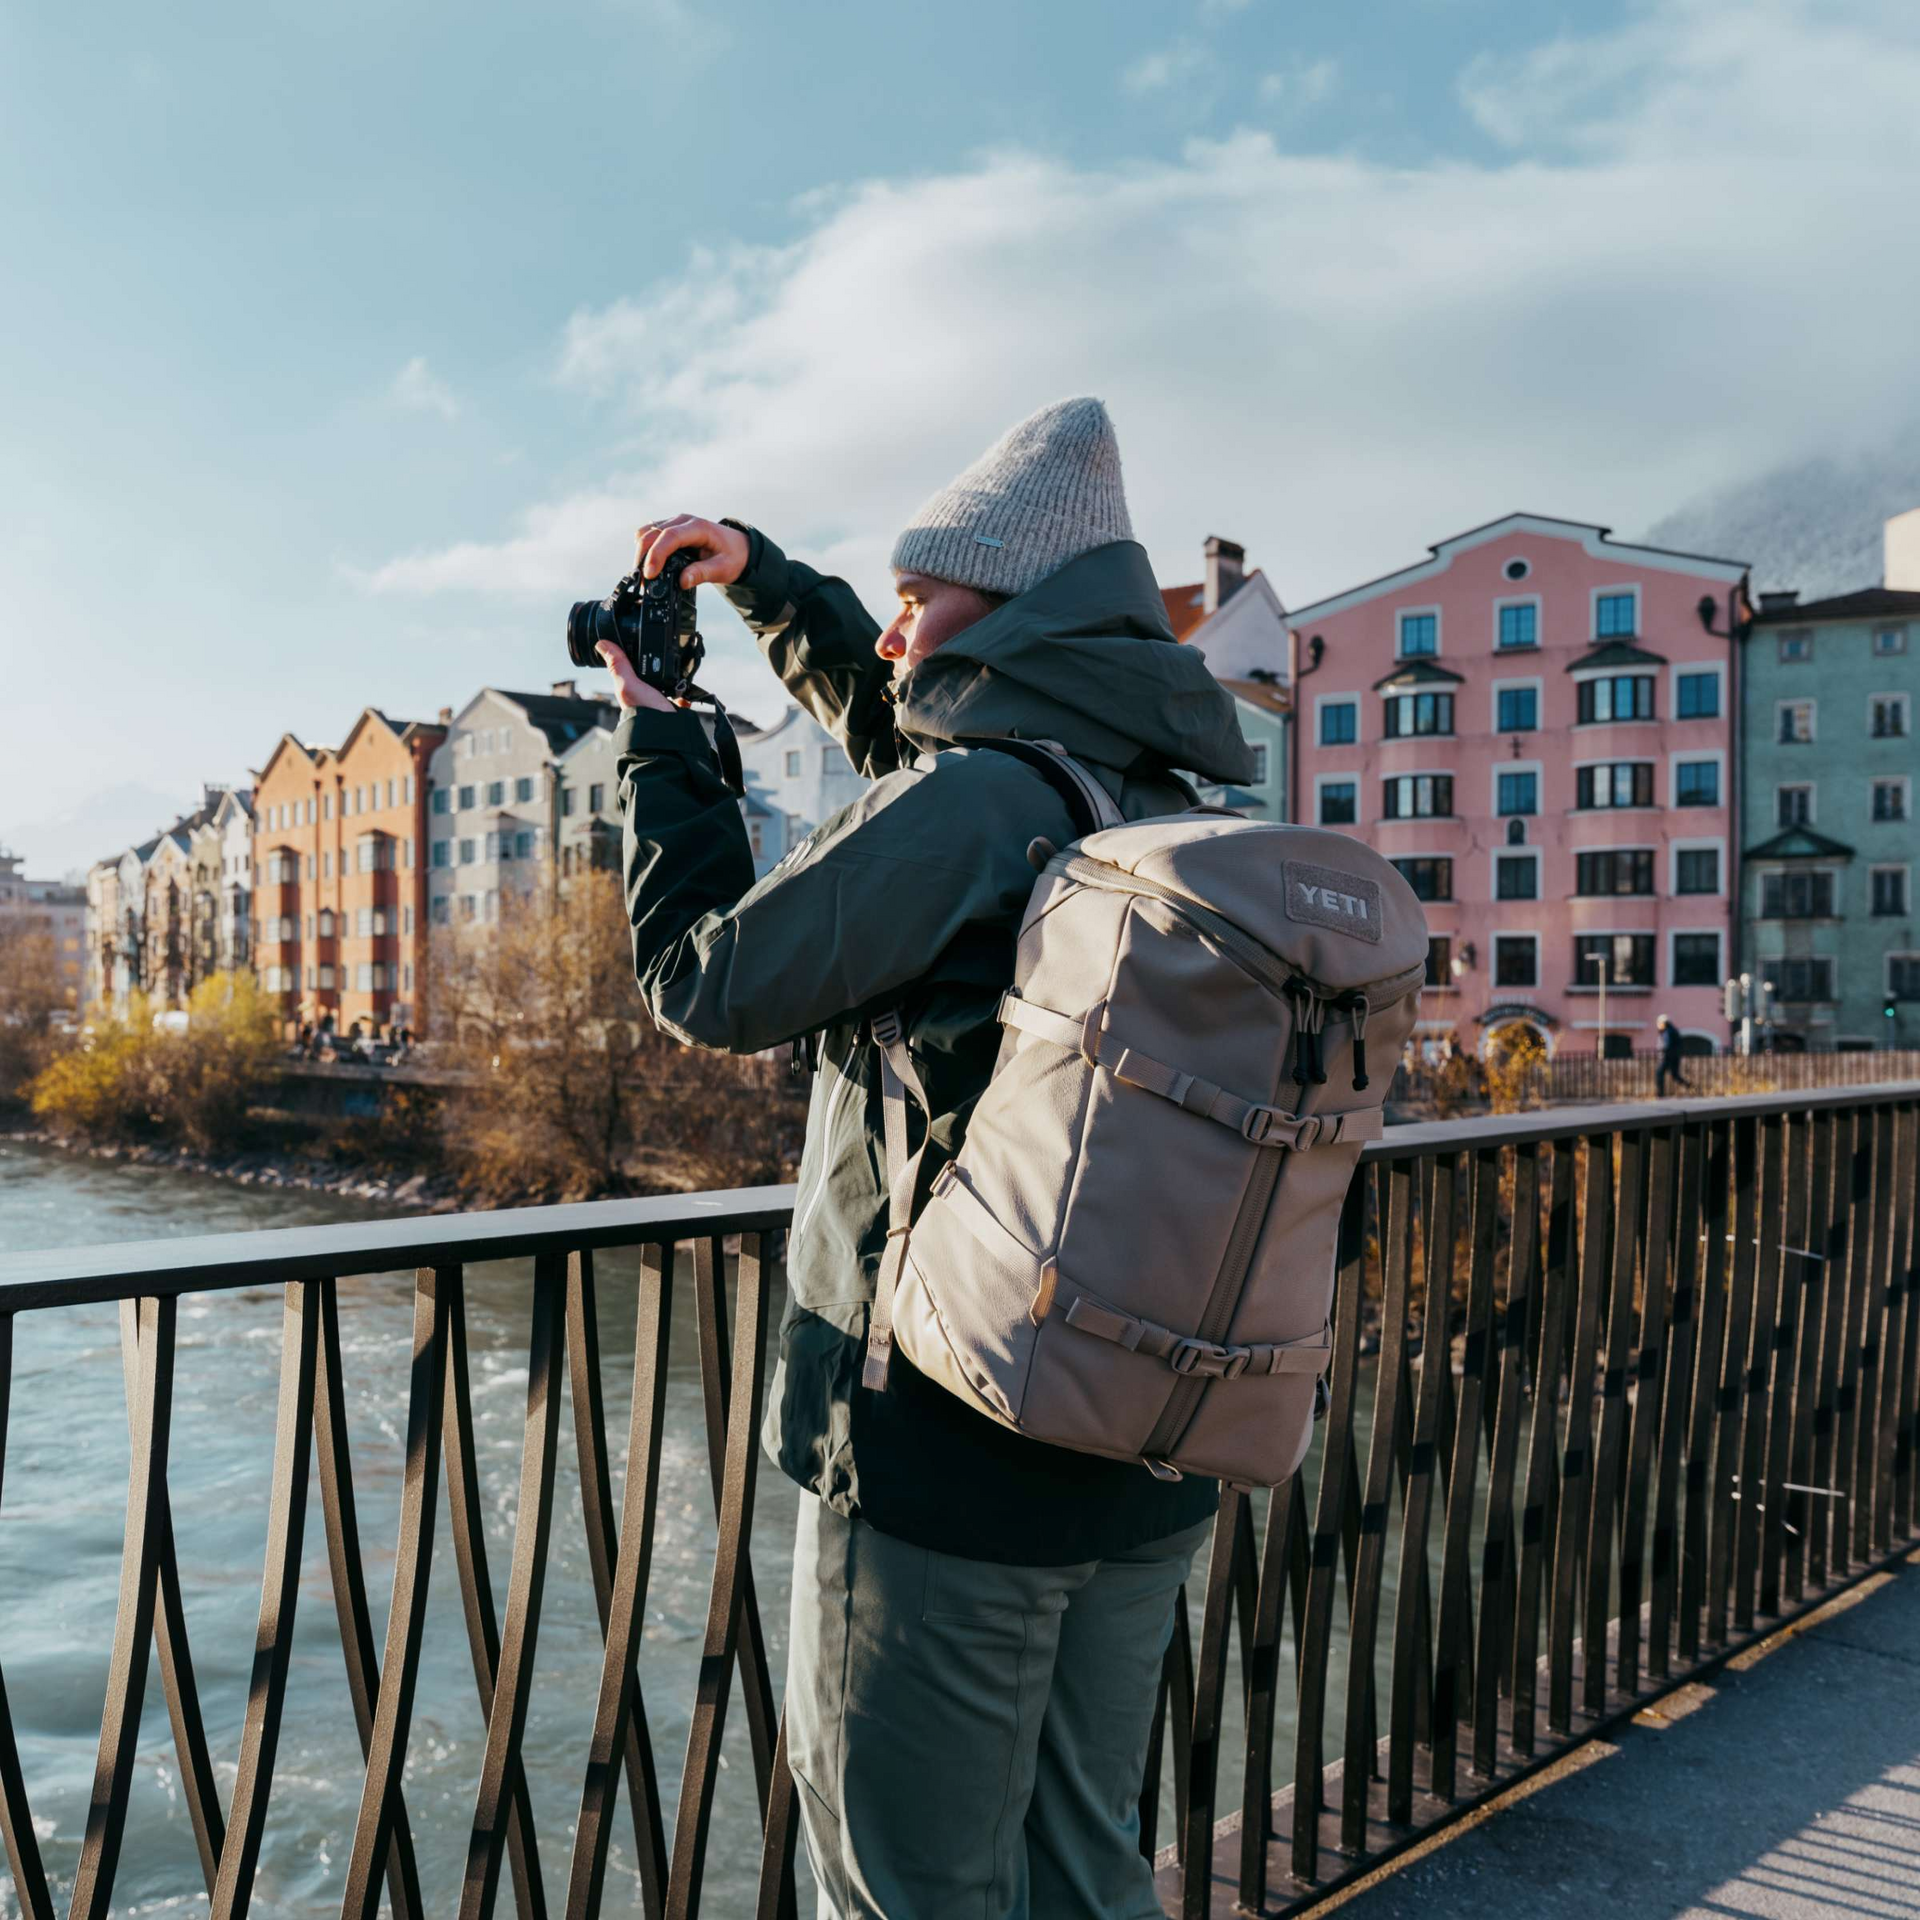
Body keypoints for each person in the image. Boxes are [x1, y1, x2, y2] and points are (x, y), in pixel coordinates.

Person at [599, 398, 1255, 1919]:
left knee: (906, 1884)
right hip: (1151, 1438)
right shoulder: (1153, 795)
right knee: (1088, 1866)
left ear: (1009, 611)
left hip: (947, 1447)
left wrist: (660, 747)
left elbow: (706, 979)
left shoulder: (978, 807)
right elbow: (923, 745)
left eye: (915, 600)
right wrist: (770, 581)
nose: (891, 635)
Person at [1656, 1013, 1691, 1097]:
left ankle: (1660, 1094)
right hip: (1674, 1055)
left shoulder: (1667, 1031)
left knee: (1659, 1073)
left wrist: (1662, 1051)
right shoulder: (1672, 1030)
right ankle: (1688, 1085)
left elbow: (1666, 1044)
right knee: (1675, 1075)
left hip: (1667, 1056)